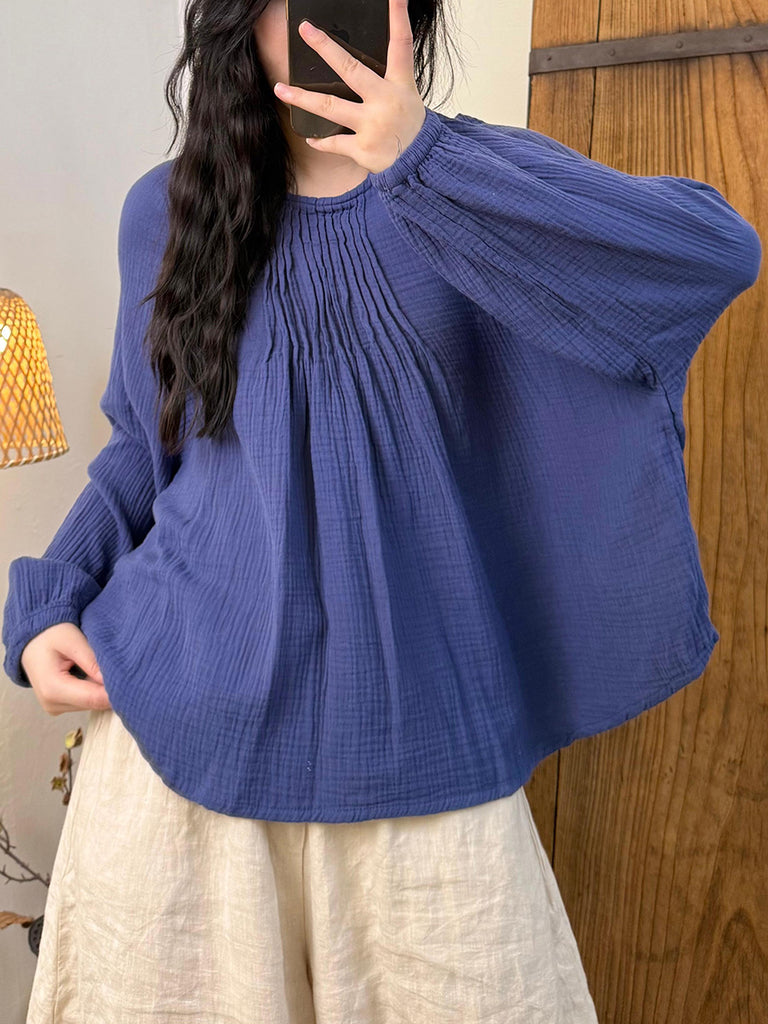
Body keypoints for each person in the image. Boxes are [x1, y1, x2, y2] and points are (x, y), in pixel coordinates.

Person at [3, 0, 761, 1020]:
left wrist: (423, 161)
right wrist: (50, 596)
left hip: (425, 739)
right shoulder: (168, 212)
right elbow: (148, 444)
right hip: (179, 737)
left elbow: (712, 254)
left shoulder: (468, 183)